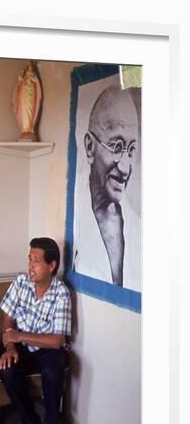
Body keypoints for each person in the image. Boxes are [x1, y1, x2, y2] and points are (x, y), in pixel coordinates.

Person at [0, 237, 71, 424]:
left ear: (52, 265)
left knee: (53, 370)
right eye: (29, 259)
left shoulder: (61, 292)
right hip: (21, 346)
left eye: (36, 261)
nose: (30, 265)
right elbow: (7, 319)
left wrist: (19, 336)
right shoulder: (20, 283)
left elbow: (57, 340)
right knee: (7, 370)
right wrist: (10, 346)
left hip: (48, 348)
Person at [73, 84, 141, 290]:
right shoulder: (73, 221)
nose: (124, 166)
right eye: (117, 146)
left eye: (131, 150)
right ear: (89, 147)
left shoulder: (141, 231)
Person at [12, 61, 42, 141]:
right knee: (23, 110)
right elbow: (19, 83)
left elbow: (36, 83)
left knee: (30, 110)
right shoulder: (24, 78)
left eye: (30, 67)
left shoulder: (33, 78)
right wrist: (22, 75)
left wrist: (32, 78)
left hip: (31, 95)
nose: (29, 69)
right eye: (28, 68)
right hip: (24, 95)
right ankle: (25, 129)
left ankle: (29, 129)